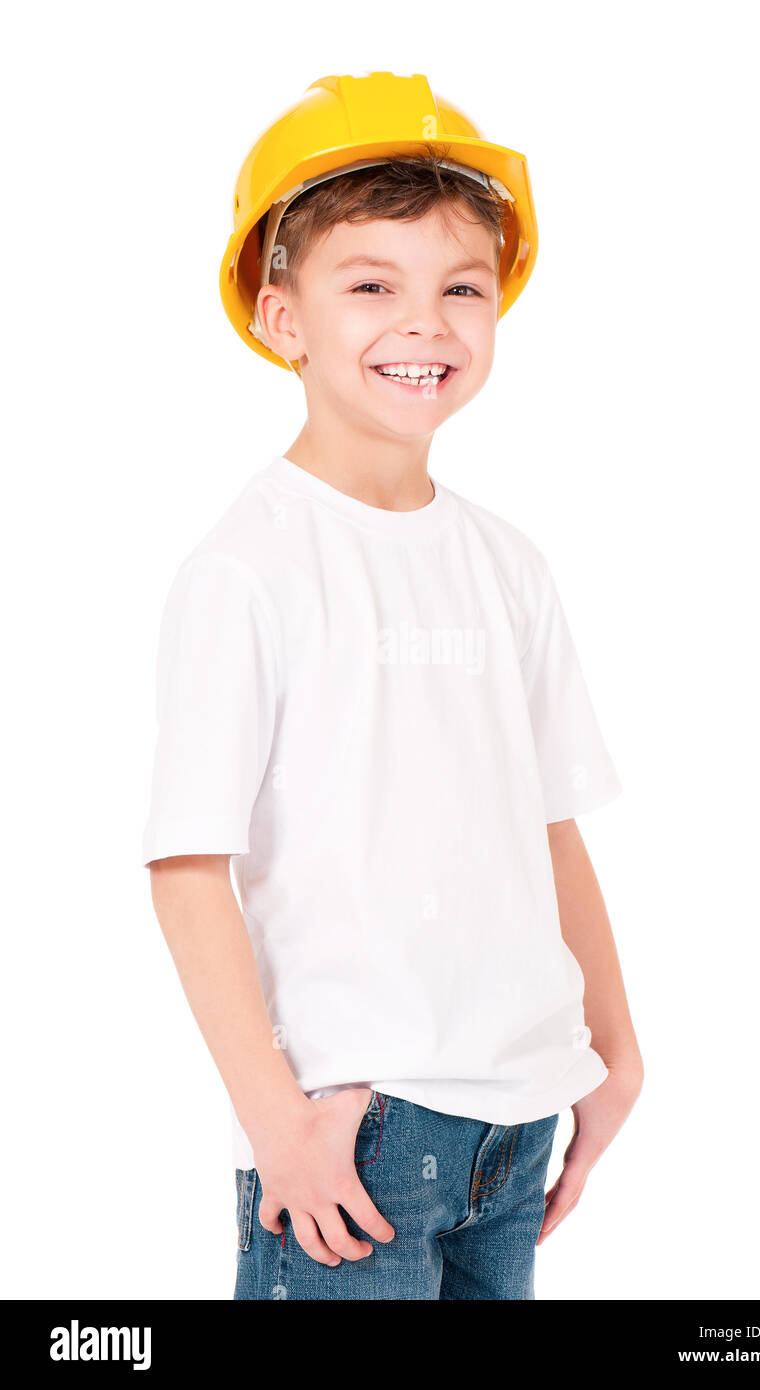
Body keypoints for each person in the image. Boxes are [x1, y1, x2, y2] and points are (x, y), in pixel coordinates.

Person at [142, 71, 643, 1301]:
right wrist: (276, 1126)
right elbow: (187, 867)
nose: (424, 324)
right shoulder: (247, 567)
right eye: (371, 284)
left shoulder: (505, 562)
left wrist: (612, 1052)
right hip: (353, 1137)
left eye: (459, 288)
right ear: (280, 316)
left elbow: (551, 823)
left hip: (517, 1124)